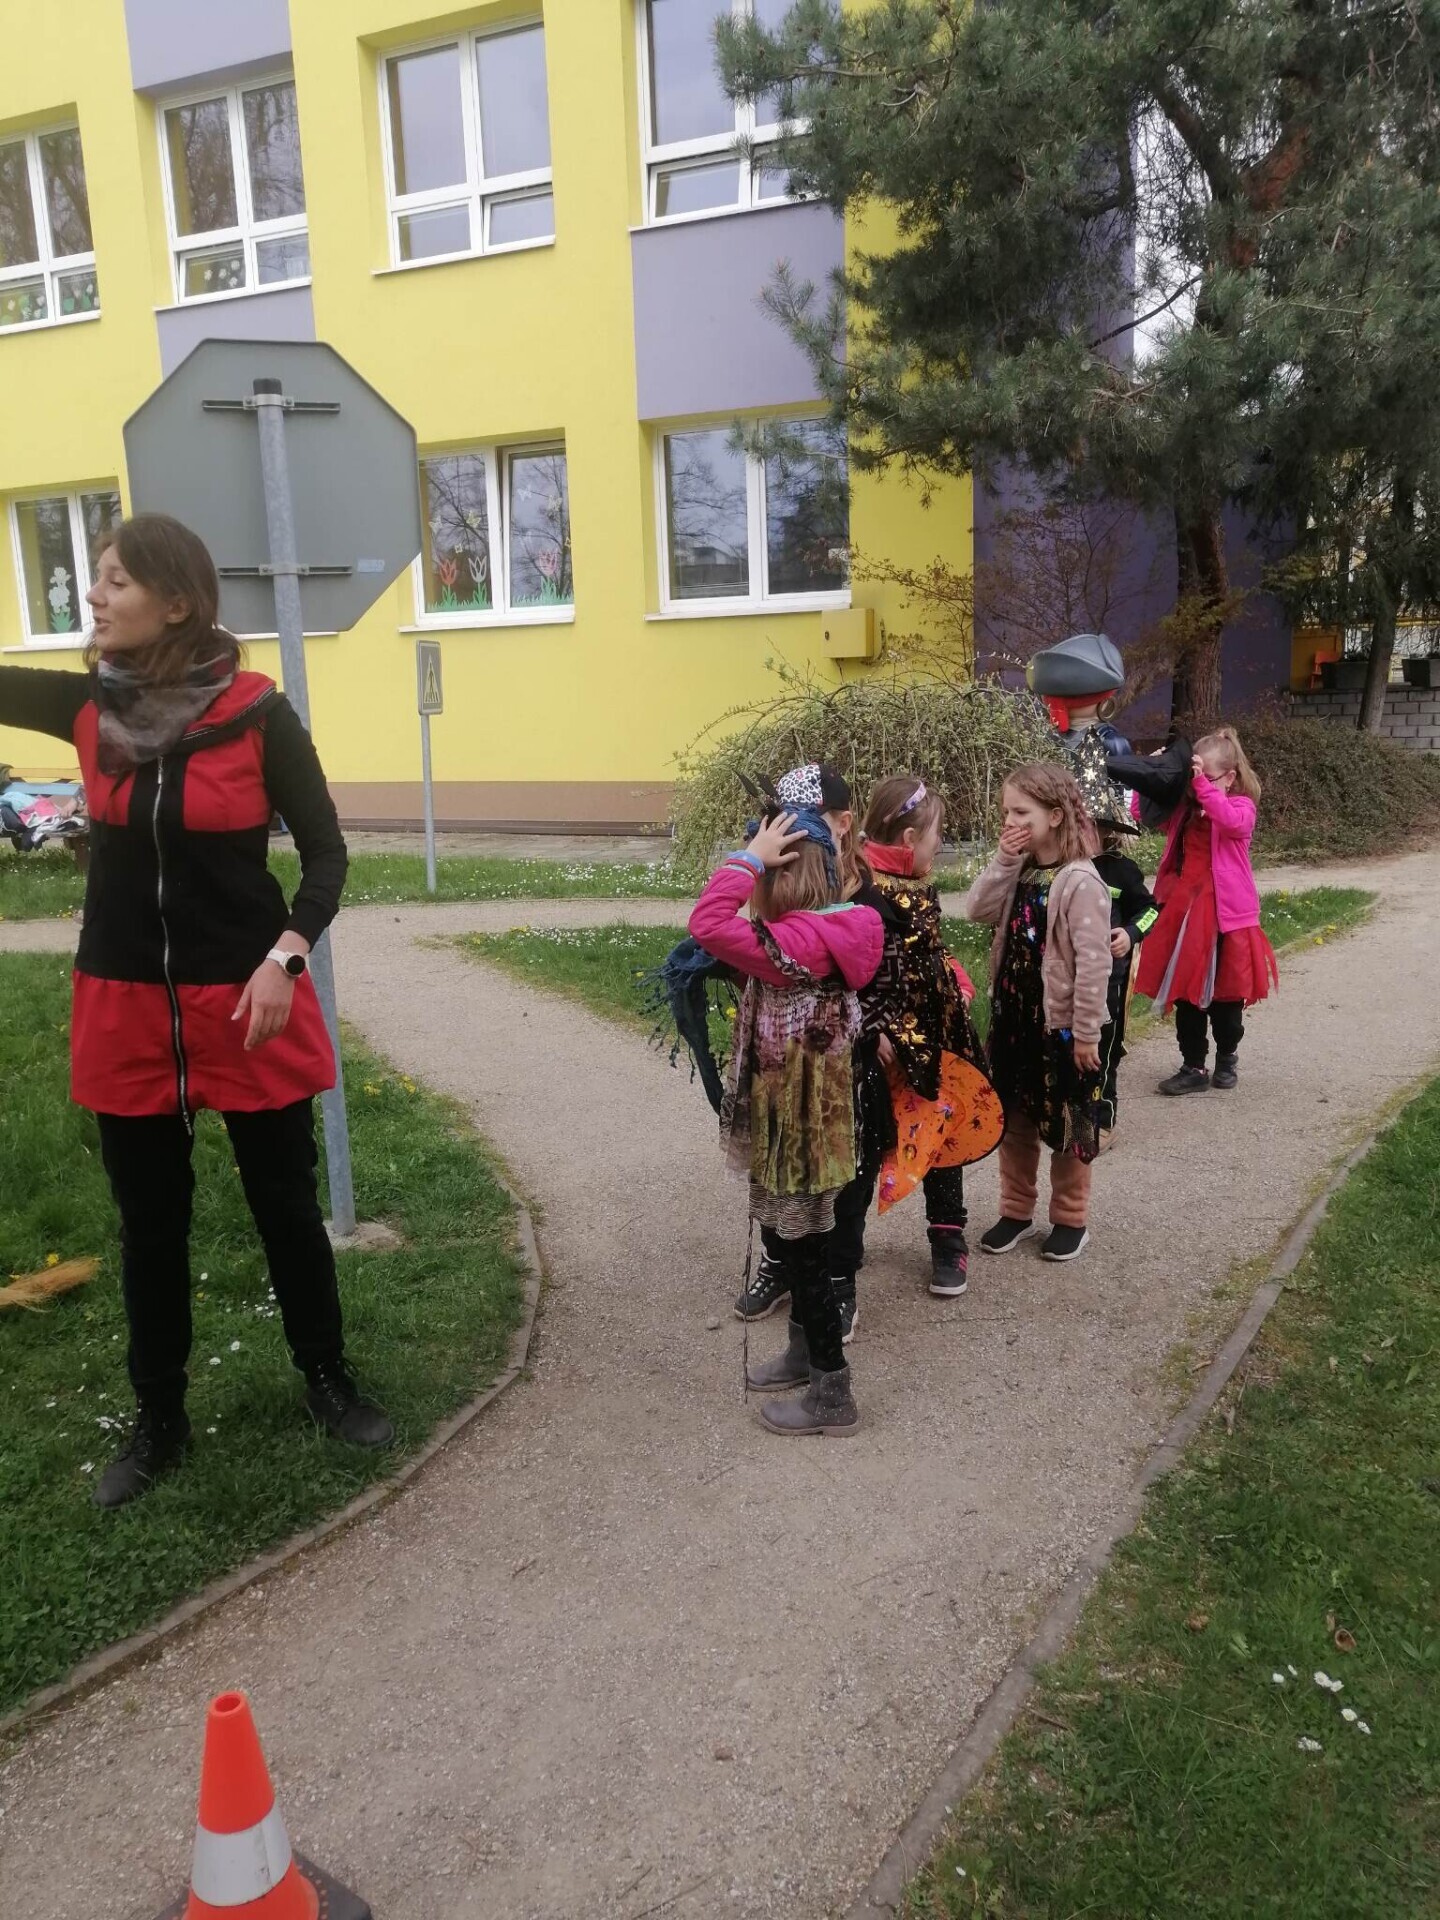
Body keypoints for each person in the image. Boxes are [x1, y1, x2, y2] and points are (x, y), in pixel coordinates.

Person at [0, 513, 392, 1509]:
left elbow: (327, 855)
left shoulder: (259, 716)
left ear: (176, 603)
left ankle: (329, 1378)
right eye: (95, 577)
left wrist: (286, 958)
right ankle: (159, 1419)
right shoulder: (87, 706)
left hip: (247, 999)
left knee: (285, 1209)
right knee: (151, 1224)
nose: (94, 595)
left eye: (115, 579)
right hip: (125, 1003)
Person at [688, 764, 884, 1436]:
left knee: (804, 1248)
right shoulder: (830, 928)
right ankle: (803, 1353)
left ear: (779, 878)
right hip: (811, 1104)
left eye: (761, 878)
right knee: (803, 1239)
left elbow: (706, 922)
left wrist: (747, 858)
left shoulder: (789, 943)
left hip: (800, 1113)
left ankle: (832, 1391)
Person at [731, 764, 893, 1342]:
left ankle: (840, 1281)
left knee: (843, 1178)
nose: (786, 836)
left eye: (802, 825)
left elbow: (887, 982)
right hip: (780, 1061)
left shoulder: (867, 898)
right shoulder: (781, 882)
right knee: (778, 1163)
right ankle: (780, 1262)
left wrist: (874, 1031)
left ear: (842, 824)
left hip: (844, 1065)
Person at [857, 774, 1002, 1297]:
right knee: (872, 1132)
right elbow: (851, 971)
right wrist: (871, 1028)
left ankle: (947, 1235)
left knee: (940, 1124)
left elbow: (930, 947)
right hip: (887, 1041)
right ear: (909, 839)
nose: (941, 844)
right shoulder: (860, 888)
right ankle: (844, 1239)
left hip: (936, 1033)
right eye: (937, 833)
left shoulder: (920, 882)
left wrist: (954, 975)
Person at [964, 763, 1112, 1262]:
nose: (1011, 821)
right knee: (1015, 1120)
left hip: (1063, 1029)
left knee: (1071, 1124)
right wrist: (1004, 860)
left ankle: (1071, 1218)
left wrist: (1086, 1033)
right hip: (1015, 1021)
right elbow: (977, 909)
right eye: (1007, 812)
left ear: (1055, 815)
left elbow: (1094, 965)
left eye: (1021, 813)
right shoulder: (1022, 869)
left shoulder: (1081, 881)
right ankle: (1015, 1210)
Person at [1134, 727, 1277, 1095]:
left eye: (1206, 777)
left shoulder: (1241, 807)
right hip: (1184, 911)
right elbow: (1144, 813)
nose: (1196, 785)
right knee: (1186, 994)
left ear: (1229, 778)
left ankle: (1227, 1056)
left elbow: (1229, 822)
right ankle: (1193, 1066)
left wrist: (1202, 786)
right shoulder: (1185, 810)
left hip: (1225, 916)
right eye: (1193, 776)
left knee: (1227, 999)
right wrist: (1152, 774)